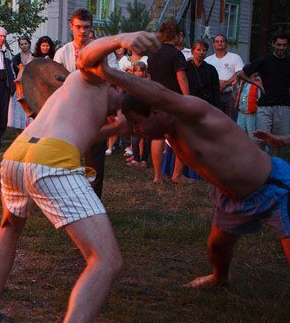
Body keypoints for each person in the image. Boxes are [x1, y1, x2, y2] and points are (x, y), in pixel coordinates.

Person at [0, 29, 159, 323]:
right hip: (49, 161)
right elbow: (89, 54)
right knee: (106, 260)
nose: (123, 94)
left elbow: (88, 135)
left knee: (10, 227)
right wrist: (124, 38)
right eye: (121, 88)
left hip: (17, 155)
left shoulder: (83, 102)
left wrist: (121, 125)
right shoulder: (90, 77)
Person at [91, 41, 290, 289]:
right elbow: (108, 127)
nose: (136, 131)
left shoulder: (192, 113)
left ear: (155, 111)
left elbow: (159, 93)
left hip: (272, 187)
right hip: (233, 199)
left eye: (137, 123)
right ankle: (220, 278)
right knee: (217, 247)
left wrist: (108, 72)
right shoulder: (165, 130)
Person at [53, 8, 116, 197]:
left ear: (91, 28)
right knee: (66, 158)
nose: (82, 31)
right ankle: (68, 199)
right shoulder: (63, 52)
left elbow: (113, 75)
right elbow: (53, 82)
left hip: (95, 110)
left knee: (94, 160)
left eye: (86, 27)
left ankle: (93, 201)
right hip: (69, 112)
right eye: (78, 27)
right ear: (71, 26)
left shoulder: (102, 50)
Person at [146, 19, 190, 183]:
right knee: (181, 139)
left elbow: (149, 79)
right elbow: (182, 79)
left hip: (157, 100)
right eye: (180, 35)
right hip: (174, 101)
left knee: (158, 137)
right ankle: (177, 176)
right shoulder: (176, 54)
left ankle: (157, 176)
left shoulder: (152, 54)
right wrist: (188, 99)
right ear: (176, 35)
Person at [236, 31, 290, 153]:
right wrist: (257, 84)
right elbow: (241, 74)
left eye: (284, 45)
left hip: (283, 106)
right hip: (265, 106)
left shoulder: (288, 62)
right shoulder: (264, 60)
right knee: (261, 140)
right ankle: (261, 167)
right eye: (279, 44)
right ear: (273, 44)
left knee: (280, 141)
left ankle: (276, 166)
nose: (281, 48)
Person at [205, 34, 243, 119]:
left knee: (231, 120)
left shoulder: (235, 57)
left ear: (226, 43)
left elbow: (239, 73)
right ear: (213, 44)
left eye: (222, 41)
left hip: (230, 94)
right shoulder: (208, 60)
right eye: (217, 41)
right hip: (214, 95)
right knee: (216, 120)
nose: (220, 43)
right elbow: (206, 75)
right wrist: (217, 83)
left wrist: (226, 83)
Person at [8, 36, 33, 134]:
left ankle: (28, 134)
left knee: (28, 112)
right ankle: (18, 136)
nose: (24, 46)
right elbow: (12, 73)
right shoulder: (16, 58)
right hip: (18, 88)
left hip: (30, 88)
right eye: (21, 44)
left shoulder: (34, 57)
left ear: (29, 44)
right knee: (17, 113)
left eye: (25, 44)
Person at [185, 40, 220, 106]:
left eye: (204, 50)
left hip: (207, 104)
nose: (201, 52)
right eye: (198, 50)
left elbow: (216, 90)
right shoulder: (185, 67)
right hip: (189, 103)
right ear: (192, 51)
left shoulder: (211, 69)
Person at [234, 74, 262, 140]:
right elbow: (236, 96)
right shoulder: (242, 81)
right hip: (241, 112)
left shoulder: (258, 81)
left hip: (252, 114)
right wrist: (234, 88)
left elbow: (260, 99)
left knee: (253, 136)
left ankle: (258, 149)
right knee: (239, 135)